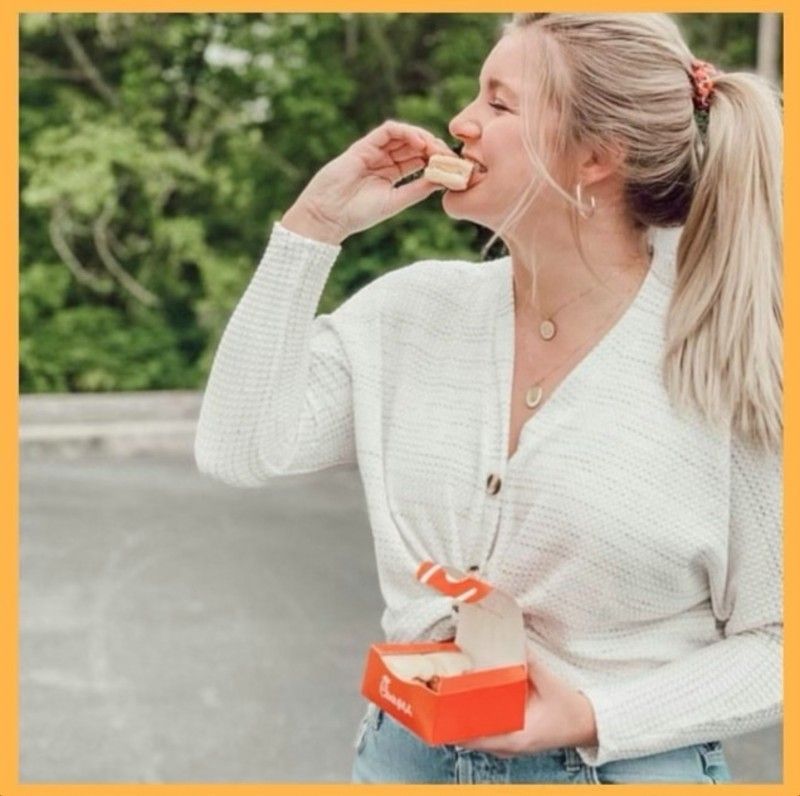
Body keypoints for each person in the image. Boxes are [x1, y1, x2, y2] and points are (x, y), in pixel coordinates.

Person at [194, 12, 782, 785]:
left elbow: (778, 643)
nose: (461, 123)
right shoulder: (413, 314)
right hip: (406, 758)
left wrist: (595, 718)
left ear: (596, 158)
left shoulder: (725, 358)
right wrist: (314, 226)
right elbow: (237, 446)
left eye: (500, 104)